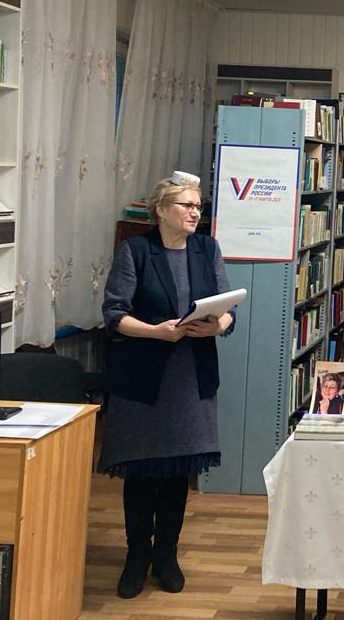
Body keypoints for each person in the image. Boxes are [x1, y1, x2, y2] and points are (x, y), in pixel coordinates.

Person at [99, 174, 235, 600]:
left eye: (198, 206)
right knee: (141, 471)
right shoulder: (136, 251)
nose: (195, 212)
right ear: (161, 210)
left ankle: (166, 556)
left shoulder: (207, 249)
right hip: (143, 377)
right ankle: (136, 556)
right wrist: (155, 332)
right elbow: (114, 313)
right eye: (186, 205)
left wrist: (217, 325)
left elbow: (228, 306)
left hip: (191, 376)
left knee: (177, 471)